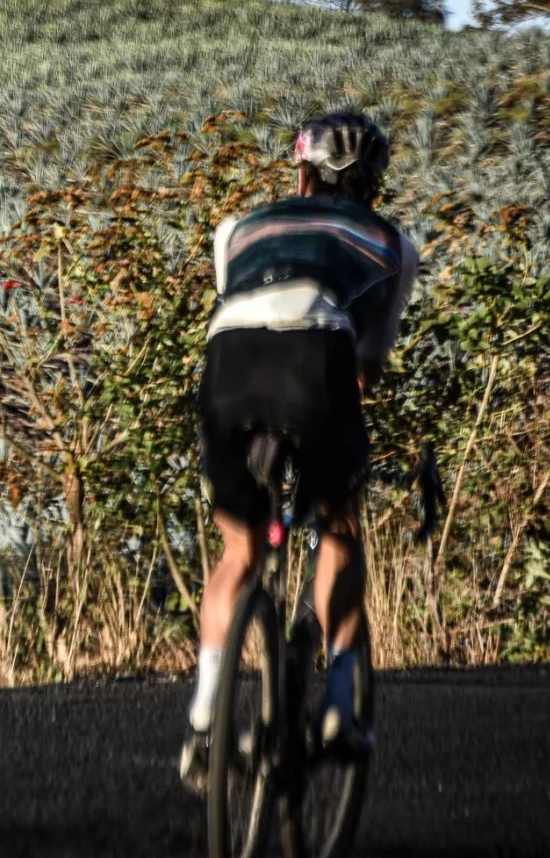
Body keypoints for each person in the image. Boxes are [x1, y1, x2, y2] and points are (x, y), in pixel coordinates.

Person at [179, 110, 418, 793]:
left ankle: (204, 720)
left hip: (230, 363)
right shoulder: (391, 242)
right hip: (317, 361)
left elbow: (242, 304)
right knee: (339, 525)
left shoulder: (236, 229)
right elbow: (366, 363)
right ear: (374, 182)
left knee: (239, 551)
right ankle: (341, 704)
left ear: (301, 171)